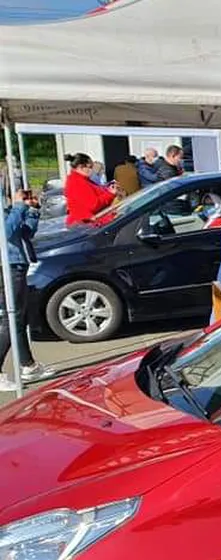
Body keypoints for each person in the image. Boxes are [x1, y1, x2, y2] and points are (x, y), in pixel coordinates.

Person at [0, 191, 54, 389]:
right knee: (11, 319)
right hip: (7, 266)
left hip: (17, 264)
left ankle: (28, 365)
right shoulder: (8, 208)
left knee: (19, 318)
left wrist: (31, 211)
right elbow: (6, 232)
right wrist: (18, 206)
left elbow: (24, 233)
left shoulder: (8, 208)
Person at [64, 153, 117, 227]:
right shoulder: (77, 182)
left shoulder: (82, 180)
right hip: (85, 225)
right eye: (90, 167)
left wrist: (107, 190)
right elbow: (93, 205)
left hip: (88, 223)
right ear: (81, 167)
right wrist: (110, 194)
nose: (92, 170)